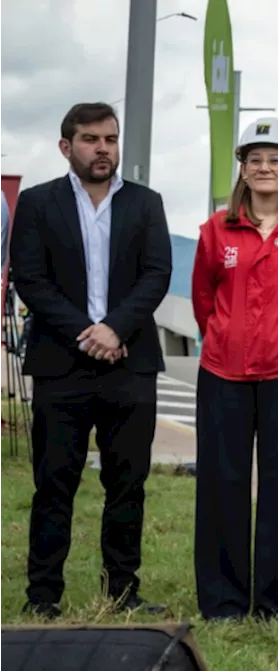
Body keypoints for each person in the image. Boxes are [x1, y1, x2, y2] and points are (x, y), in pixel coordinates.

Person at [11, 102, 173, 618]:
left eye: (110, 138)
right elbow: (30, 279)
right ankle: (43, 596)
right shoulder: (38, 203)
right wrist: (88, 332)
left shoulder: (147, 203)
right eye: (89, 139)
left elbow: (157, 273)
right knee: (54, 482)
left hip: (130, 363)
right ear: (66, 146)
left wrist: (116, 328)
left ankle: (122, 591)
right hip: (63, 364)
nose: (102, 148)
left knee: (128, 483)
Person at [190, 117, 278, 621]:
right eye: (256, 159)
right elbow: (204, 299)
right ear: (243, 171)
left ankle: (273, 602)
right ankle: (224, 603)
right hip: (223, 374)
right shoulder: (217, 228)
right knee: (221, 484)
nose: (265, 167)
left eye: (276, 159)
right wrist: (227, 335)